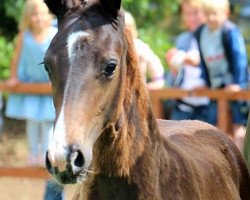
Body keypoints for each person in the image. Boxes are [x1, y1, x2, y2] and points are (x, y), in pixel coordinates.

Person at [4, 0, 64, 199]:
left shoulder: (55, 34)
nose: (38, 18)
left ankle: (46, 154)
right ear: (28, 18)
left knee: (48, 123)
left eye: (42, 13)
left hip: (48, 86)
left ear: (49, 15)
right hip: (30, 85)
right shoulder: (24, 36)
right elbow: (17, 58)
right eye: (34, 14)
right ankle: (32, 153)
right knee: (32, 121)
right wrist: (14, 77)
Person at [195, 0, 249, 151]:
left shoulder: (229, 31)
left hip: (234, 84)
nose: (211, 17)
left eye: (215, 14)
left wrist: (237, 82)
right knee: (214, 122)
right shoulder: (201, 33)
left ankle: (241, 157)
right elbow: (203, 60)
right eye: (207, 14)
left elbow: (239, 59)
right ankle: (219, 156)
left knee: (238, 123)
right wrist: (204, 81)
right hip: (215, 85)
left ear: (226, 13)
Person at [165, 0, 210, 122]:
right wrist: (173, 66)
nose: (191, 18)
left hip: (208, 108)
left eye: (195, 13)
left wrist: (199, 63)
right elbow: (174, 79)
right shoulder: (183, 39)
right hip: (183, 106)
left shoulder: (214, 38)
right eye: (187, 14)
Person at [124, 11, 165, 90]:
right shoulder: (111, 47)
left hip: (136, 91)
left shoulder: (139, 46)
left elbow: (156, 67)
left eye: (128, 27)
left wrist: (156, 83)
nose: (125, 31)